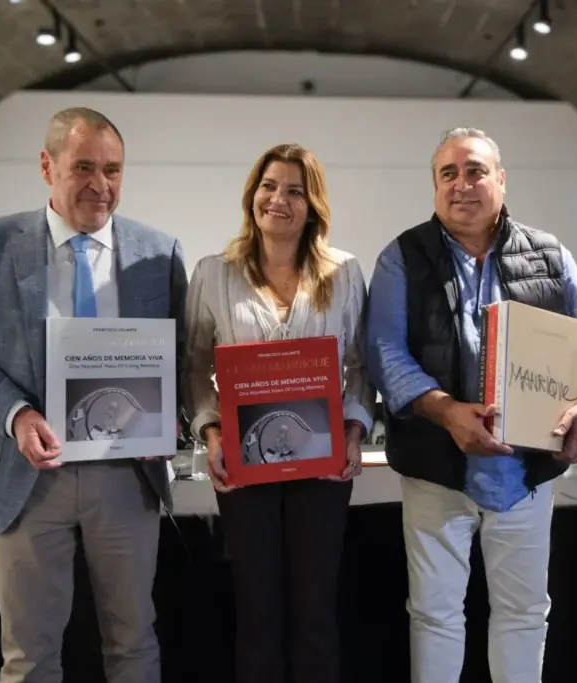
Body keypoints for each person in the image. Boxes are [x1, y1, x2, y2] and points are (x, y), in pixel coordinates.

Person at [0, 107, 187, 682]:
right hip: (26, 478)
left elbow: (181, 359)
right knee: (28, 655)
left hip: (125, 478)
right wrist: (15, 415)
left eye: (114, 170)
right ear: (47, 166)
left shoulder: (158, 252)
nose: (101, 185)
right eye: (84, 167)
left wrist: (173, 422)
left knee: (134, 641)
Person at [366, 127, 577, 682]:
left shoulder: (551, 254)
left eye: (475, 170)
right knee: (433, 615)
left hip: (524, 470)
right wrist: (444, 410)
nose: (463, 185)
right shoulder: (402, 258)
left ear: (501, 180)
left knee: (525, 612)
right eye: (448, 174)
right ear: (434, 187)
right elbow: (385, 351)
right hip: (438, 468)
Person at [183, 143, 374, 683]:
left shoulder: (345, 273)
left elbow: (359, 364)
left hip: (323, 467)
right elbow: (195, 366)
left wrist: (355, 431)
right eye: (269, 186)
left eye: (295, 190)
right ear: (253, 194)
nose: (279, 200)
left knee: (316, 613)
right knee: (257, 611)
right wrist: (212, 430)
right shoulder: (213, 273)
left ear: (312, 205)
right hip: (245, 468)